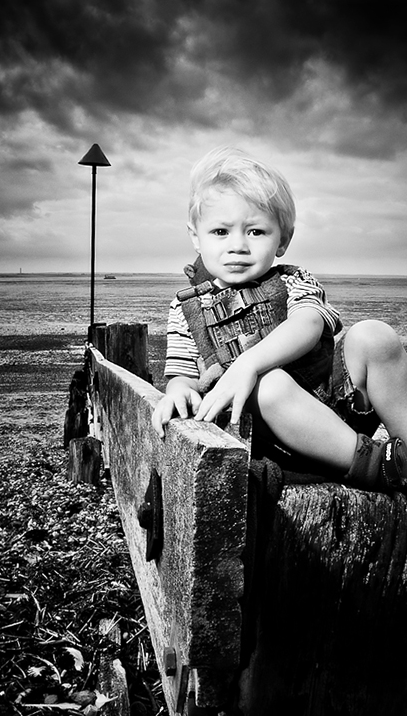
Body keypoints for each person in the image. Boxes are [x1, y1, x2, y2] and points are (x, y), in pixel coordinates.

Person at [151, 146, 407, 493]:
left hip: (332, 405)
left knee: (373, 335)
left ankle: (404, 449)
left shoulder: (293, 280)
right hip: (277, 435)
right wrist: (179, 392)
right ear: (196, 237)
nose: (238, 245)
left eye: (256, 232)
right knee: (269, 385)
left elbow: (309, 323)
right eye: (220, 232)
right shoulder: (185, 309)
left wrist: (248, 364)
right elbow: (181, 375)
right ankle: (378, 467)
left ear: (283, 239)